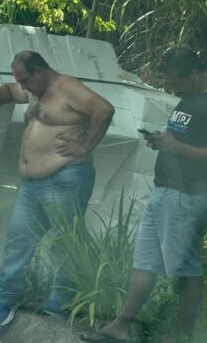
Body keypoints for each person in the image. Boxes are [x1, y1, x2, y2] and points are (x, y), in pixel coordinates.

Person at [0, 50, 115, 327]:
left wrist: (85, 146)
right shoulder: (32, 90)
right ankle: (8, 299)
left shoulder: (67, 87)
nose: (22, 86)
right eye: (20, 81)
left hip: (66, 177)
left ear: (40, 70)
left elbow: (104, 109)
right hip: (31, 184)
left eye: (25, 79)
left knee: (64, 242)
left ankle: (60, 302)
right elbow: (6, 91)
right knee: (18, 239)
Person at [80, 47, 207, 343]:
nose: (175, 88)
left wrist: (176, 148)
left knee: (186, 267)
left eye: (179, 82)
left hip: (188, 196)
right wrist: (162, 142)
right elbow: (181, 140)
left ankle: (184, 335)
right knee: (146, 261)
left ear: (198, 73)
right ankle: (121, 326)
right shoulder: (188, 100)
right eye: (172, 84)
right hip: (165, 190)